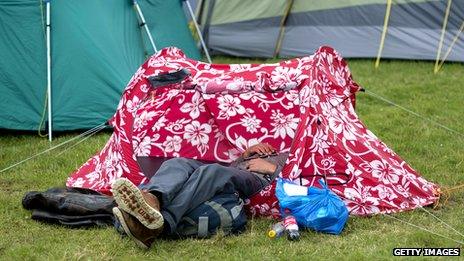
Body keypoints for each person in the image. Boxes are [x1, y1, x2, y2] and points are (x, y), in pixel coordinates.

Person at [112, 143, 289, 249]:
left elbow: (305, 181)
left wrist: (272, 169)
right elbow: (231, 168)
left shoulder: (299, 152)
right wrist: (245, 155)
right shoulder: (274, 147)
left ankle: (160, 224)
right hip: (235, 170)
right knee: (177, 163)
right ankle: (153, 198)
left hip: (259, 179)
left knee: (211, 172)